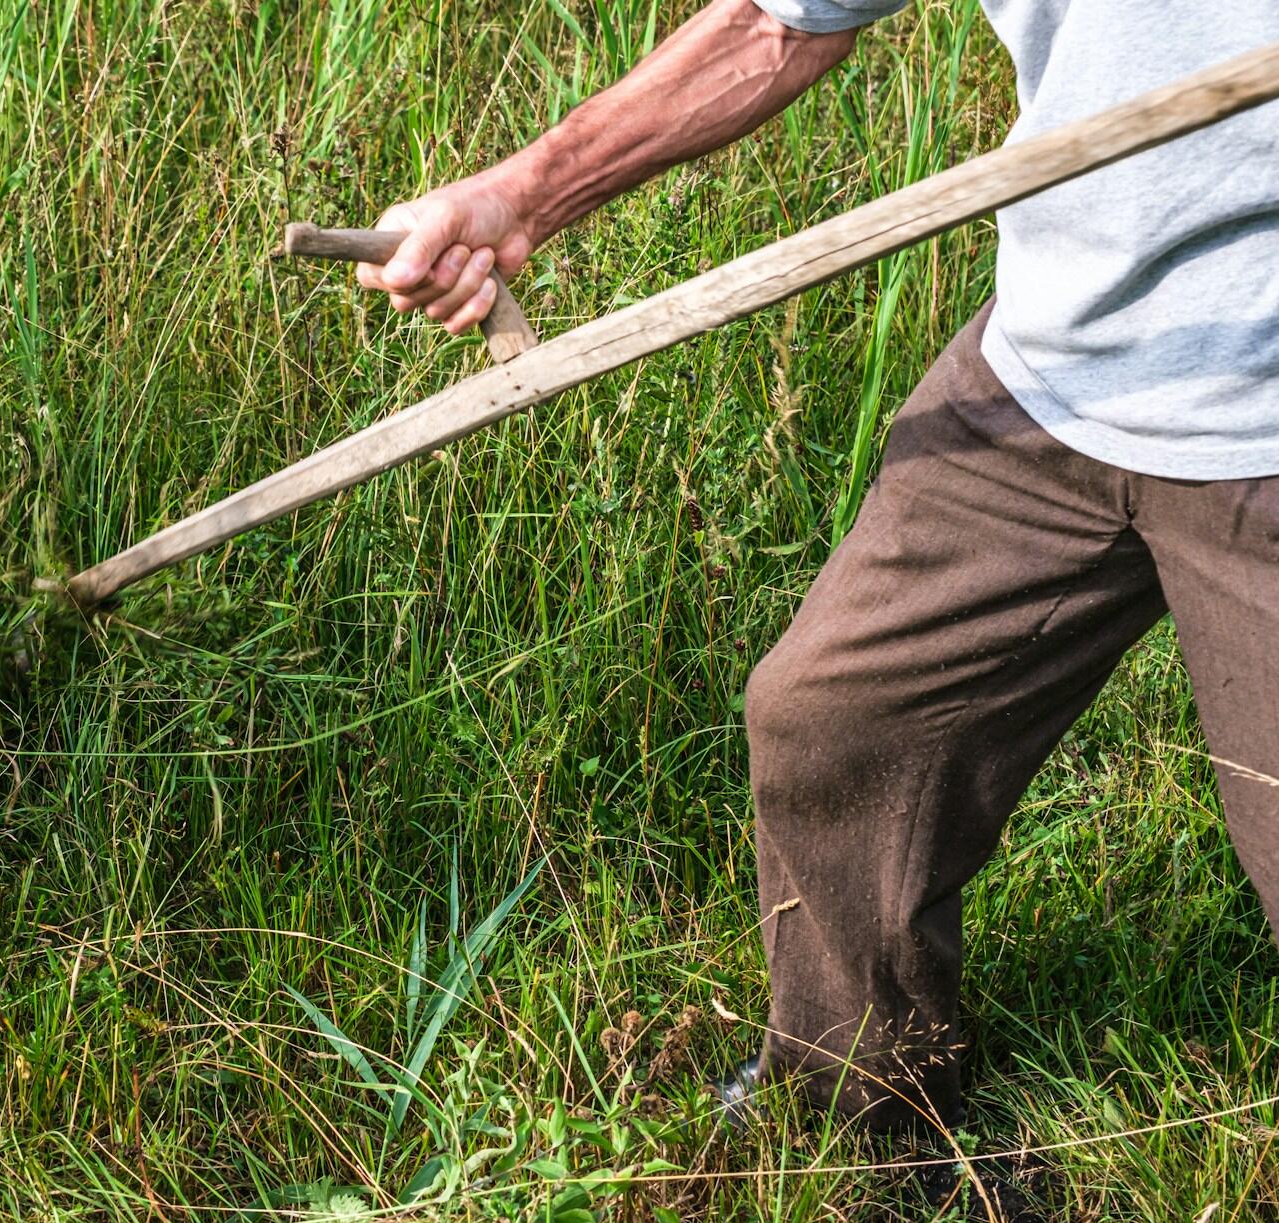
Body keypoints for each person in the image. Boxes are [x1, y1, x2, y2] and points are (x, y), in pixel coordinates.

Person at [353, 0, 1279, 1132]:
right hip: (1054, 366)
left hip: (1264, 421)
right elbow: (777, 22)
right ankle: (850, 1108)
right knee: (836, 719)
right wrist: (517, 196)